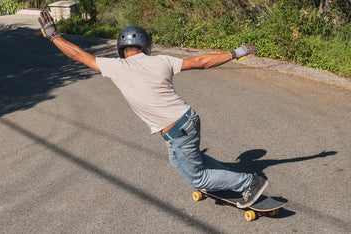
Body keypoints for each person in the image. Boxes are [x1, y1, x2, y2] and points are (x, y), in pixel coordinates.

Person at [38, 10, 267, 208]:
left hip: (177, 129)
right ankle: (226, 176)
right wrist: (236, 52)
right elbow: (200, 62)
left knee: (195, 178)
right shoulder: (162, 60)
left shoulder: (116, 66)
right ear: (145, 46)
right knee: (187, 159)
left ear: (121, 47)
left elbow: (78, 55)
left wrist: (54, 36)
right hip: (188, 119)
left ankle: (248, 183)